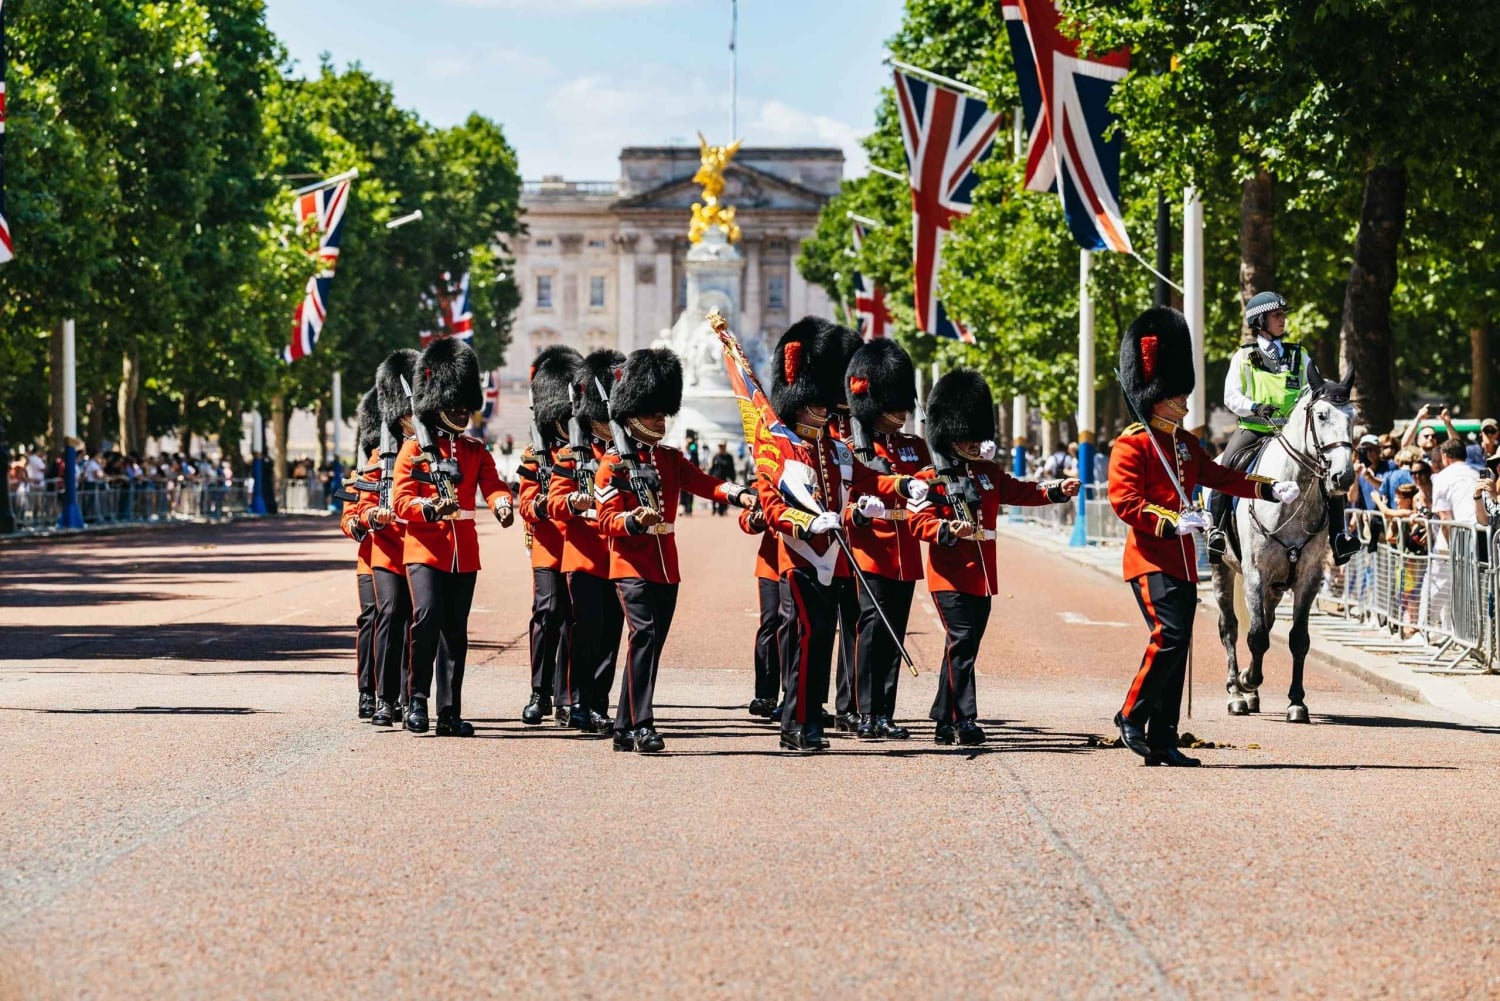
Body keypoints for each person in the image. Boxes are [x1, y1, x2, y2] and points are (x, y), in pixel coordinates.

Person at [1110, 306, 1302, 767]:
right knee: (1169, 636)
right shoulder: (1132, 443)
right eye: (1177, 396)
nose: (1185, 403)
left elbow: (1220, 477)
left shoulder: (1184, 444)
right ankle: (1130, 715)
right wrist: (1170, 520)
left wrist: (1269, 487)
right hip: (1150, 557)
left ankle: (1164, 739)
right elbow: (1124, 501)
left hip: (1181, 560)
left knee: (1179, 647)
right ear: (1156, 398)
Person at [754, 317, 925, 753]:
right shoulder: (782, 446)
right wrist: (806, 523)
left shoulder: (835, 448)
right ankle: (796, 724)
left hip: (834, 560)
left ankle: (809, 721)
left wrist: (903, 486)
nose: (829, 410)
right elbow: (773, 505)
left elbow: (870, 480)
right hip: (800, 557)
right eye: (822, 402)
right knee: (803, 645)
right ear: (800, 400)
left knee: (821, 645)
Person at [595, 349, 756, 753]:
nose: (660, 422)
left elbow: (704, 483)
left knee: (648, 643)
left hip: (666, 567)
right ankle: (644, 724)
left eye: (663, 414)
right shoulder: (613, 464)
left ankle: (623, 725)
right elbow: (606, 520)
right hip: (630, 563)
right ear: (632, 415)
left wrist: (739, 493)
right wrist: (634, 522)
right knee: (644, 635)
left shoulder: (668, 458)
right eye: (652, 415)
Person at [919, 369, 1078, 745]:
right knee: (961, 643)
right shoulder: (932, 477)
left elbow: (1020, 491)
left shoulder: (987, 472)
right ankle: (964, 719)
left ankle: (943, 719)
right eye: (967, 437)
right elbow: (919, 521)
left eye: (978, 437)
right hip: (949, 575)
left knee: (963, 648)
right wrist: (944, 531)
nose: (975, 444)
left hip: (982, 576)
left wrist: (1055, 491)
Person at [391, 337, 515, 736]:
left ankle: (448, 712)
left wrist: (501, 504)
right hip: (425, 548)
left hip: (464, 553)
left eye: (466, 406)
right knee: (426, 618)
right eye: (455, 405)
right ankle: (416, 700)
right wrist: (429, 510)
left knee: (455, 633)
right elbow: (401, 501)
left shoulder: (474, 449)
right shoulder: (414, 450)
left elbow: (493, 484)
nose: (463, 413)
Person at [1208, 290, 1358, 565]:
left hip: (1292, 432)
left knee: (1328, 474)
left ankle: (1339, 537)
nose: (1282, 320)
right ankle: (1216, 531)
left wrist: (1333, 391)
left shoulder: (1299, 355)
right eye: (1276, 315)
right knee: (1226, 468)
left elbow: (1315, 384)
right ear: (1260, 321)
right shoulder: (1243, 357)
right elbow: (1231, 396)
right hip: (1255, 428)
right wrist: (1254, 407)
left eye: (1283, 315)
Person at [840, 338, 936, 740]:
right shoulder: (850, 450)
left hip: (905, 553)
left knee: (894, 634)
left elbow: (932, 482)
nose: (901, 412)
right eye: (893, 405)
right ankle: (864, 712)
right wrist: (859, 512)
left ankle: (885, 713)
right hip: (870, 551)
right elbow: (840, 504)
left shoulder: (915, 447)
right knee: (872, 632)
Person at [545, 349, 627, 735]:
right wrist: (574, 502)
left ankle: (596, 702)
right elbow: (554, 502)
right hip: (582, 556)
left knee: (610, 633)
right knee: (583, 631)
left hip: (618, 555)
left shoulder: (627, 455)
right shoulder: (571, 454)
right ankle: (572, 700)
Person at [517, 346, 582, 725]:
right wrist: (545, 505)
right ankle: (539, 692)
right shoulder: (534, 454)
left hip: (579, 544)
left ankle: (567, 696)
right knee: (548, 612)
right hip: (546, 544)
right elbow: (526, 503)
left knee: (576, 617)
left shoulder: (584, 452)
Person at [360, 349, 419, 727]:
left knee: (417, 620)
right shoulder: (380, 456)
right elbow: (359, 507)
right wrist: (368, 517)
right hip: (382, 548)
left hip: (420, 546)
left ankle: (411, 696)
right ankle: (379, 695)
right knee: (384, 616)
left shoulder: (429, 455)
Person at [338, 389, 382, 720]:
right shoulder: (361, 474)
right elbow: (348, 516)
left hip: (403, 558)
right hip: (370, 558)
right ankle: (367, 690)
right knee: (370, 617)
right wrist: (356, 524)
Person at [738, 503, 781, 718]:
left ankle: (797, 695)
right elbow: (746, 518)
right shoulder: (768, 475)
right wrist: (756, 520)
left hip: (808, 560)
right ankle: (765, 694)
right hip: (773, 564)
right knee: (771, 622)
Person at [708, 442, 737, 515]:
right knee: (714, 494)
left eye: (722, 446)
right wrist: (709, 476)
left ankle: (723, 510)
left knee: (724, 494)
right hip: (716, 478)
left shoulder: (729, 457)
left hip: (724, 479)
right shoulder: (716, 456)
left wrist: (733, 478)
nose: (721, 448)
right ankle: (714, 509)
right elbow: (712, 468)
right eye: (720, 447)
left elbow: (731, 468)